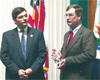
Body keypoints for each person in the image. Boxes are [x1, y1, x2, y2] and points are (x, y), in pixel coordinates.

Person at [1, 7, 47, 80]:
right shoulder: (7, 36)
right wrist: (17, 70)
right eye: (21, 17)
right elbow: (4, 56)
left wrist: (32, 69)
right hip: (14, 76)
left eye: (25, 15)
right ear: (14, 20)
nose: (25, 18)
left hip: (35, 76)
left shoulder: (38, 33)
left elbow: (42, 54)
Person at [52, 4, 96, 80]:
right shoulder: (67, 35)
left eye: (71, 15)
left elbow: (89, 55)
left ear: (79, 16)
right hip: (65, 76)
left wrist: (67, 61)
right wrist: (59, 56)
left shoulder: (87, 34)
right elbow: (67, 53)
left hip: (78, 77)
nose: (67, 18)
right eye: (66, 15)